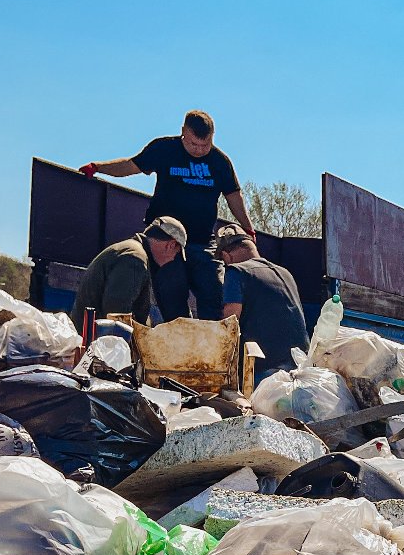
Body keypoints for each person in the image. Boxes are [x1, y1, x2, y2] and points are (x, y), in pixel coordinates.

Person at [80, 110, 255, 321]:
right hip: (166, 242)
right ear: (183, 132)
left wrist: (247, 227)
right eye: (193, 144)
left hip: (201, 242)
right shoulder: (164, 149)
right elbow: (130, 165)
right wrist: (98, 167)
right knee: (172, 300)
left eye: (205, 145)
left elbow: (233, 196)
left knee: (214, 293)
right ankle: (180, 340)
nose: (199, 150)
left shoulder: (219, 162)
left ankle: (213, 345)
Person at [213, 229, 308, 383]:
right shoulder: (285, 273)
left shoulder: (236, 272)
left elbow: (230, 324)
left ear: (226, 256)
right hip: (300, 367)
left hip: (264, 374)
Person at [70, 216, 185, 326]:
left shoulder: (132, 251)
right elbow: (116, 316)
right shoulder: (135, 259)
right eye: (176, 253)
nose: (173, 259)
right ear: (170, 245)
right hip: (96, 342)